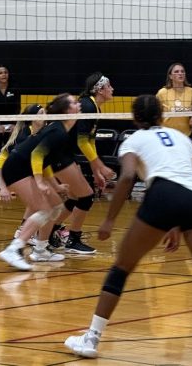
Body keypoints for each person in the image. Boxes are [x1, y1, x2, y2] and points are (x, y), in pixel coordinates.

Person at [64, 94, 192, 366]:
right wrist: (178, 223)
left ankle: (91, 338)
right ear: (161, 116)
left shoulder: (134, 139)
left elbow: (126, 177)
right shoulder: (183, 139)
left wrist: (109, 220)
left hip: (162, 195)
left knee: (121, 269)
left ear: (136, 118)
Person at [0, 93, 79, 271]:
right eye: (74, 102)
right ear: (66, 110)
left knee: (56, 206)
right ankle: (14, 248)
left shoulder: (60, 130)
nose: (78, 104)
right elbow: (36, 155)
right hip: (16, 168)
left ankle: (41, 250)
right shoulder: (57, 131)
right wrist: (41, 182)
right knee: (45, 209)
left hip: (24, 168)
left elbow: (45, 161)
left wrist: (55, 186)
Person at [56, 72, 115, 255]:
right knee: (86, 196)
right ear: (100, 89)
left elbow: (89, 141)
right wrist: (101, 166)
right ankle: (73, 239)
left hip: (65, 153)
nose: (112, 89)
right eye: (109, 86)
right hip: (57, 153)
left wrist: (96, 170)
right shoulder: (88, 106)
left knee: (75, 196)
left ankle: (51, 231)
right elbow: (82, 142)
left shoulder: (94, 106)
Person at [156, 62, 192, 136]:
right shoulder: (162, 92)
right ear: (170, 76)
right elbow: (155, 114)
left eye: (182, 71)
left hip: (186, 135)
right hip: (167, 135)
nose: (180, 73)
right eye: (176, 72)